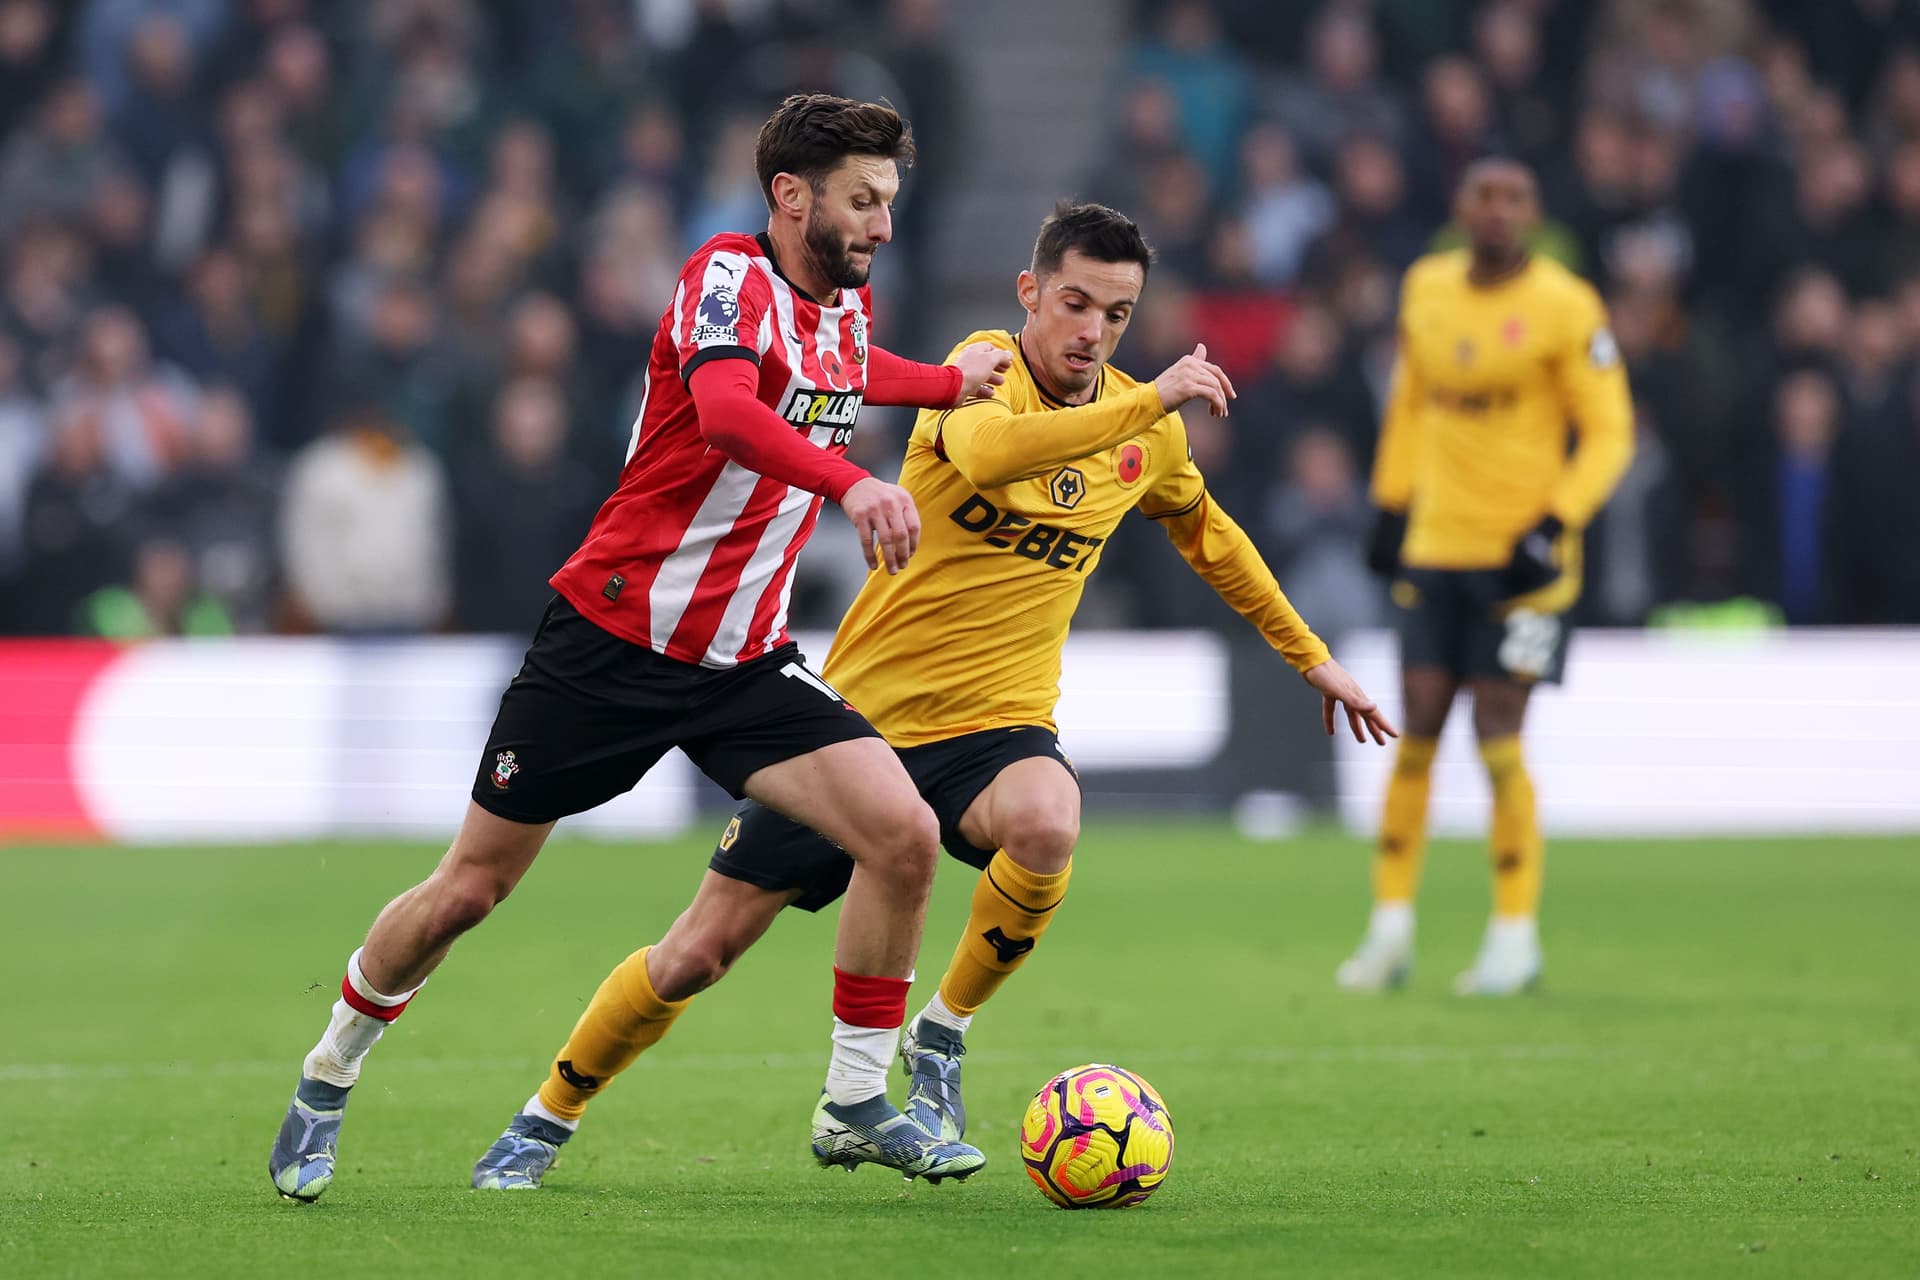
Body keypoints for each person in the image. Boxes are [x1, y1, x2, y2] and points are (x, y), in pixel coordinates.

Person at [467, 201, 1397, 1191]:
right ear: (1031, 292)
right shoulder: (982, 370)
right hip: (857, 728)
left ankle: (940, 1036)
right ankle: (547, 1111)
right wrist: (1152, 398)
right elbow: (997, 455)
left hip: (998, 726)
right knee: (699, 951)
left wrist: (1311, 656)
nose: (1094, 331)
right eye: (1077, 303)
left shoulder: (1142, 431)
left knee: (1047, 822)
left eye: (1119, 315)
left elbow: (1212, 536)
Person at [268, 93, 1015, 1202]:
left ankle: (856, 1099)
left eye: (890, 203)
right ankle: (329, 1071)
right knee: (471, 888)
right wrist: (855, 478)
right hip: (609, 644)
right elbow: (726, 412)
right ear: (789, 195)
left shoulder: (845, 310)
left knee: (903, 833)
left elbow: (855, 371)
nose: (882, 226)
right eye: (864, 201)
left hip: (744, 664)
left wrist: (949, 383)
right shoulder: (725, 274)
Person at [1336, 158, 1633, 997]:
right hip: (1436, 547)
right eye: (1484, 196)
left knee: (1499, 732)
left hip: (1528, 566)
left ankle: (1514, 934)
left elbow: (1610, 432)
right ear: (1461, 207)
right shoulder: (1426, 288)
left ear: (1533, 214)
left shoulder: (1568, 306)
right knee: (1416, 727)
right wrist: (1390, 508)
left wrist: (1556, 520)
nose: (1498, 211)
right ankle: (1390, 929)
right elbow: (1410, 404)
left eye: (1515, 197)